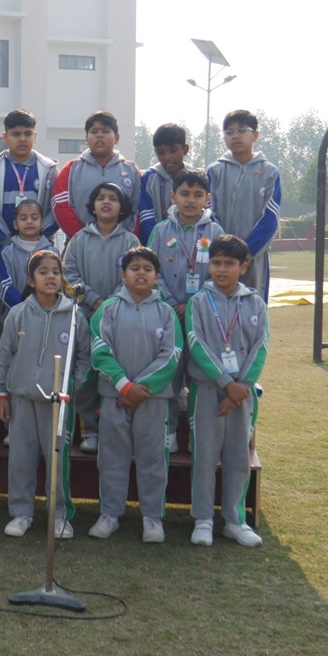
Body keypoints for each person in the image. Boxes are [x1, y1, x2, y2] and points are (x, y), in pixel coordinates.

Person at [0, 250, 90, 539]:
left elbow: (84, 357)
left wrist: (72, 384)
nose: (51, 277)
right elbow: (5, 356)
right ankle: (21, 513)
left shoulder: (74, 316)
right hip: (22, 399)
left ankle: (60, 515)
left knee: (58, 460)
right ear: (30, 280)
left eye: (56, 272)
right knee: (21, 459)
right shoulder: (18, 314)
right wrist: (2, 393)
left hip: (58, 402)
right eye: (43, 272)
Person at [89, 246, 182, 544]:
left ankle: (152, 517)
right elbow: (99, 351)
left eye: (147, 269)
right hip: (114, 398)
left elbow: (171, 355)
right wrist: (124, 386)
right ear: (123, 275)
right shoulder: (108, 309)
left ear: (157, 276)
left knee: (153, 459)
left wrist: (141, 388)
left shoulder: (166, 313)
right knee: (111, 458)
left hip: (153, 400)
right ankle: (109, 514)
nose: (141, 273)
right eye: (135, 268)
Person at [186, 234, 268, 548]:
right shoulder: (198, 301)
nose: (221, 269)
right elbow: (196, 343)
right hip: (208, 389)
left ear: (243, 266)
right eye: (216, 263)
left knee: (238, 458)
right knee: (205, 457)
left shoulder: (255, 303)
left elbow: (261, 346)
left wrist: (241, 387)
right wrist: (225, 383)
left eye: (229, 263)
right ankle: (203, 519)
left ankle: (235, 521)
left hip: (242, 394)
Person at [147, 169, 223, 452]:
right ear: (173, 197)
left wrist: (192, 304)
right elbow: (152, 270)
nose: (191, 200)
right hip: (167, 315)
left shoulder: (215, 232)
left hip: (202, 315)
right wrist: (170, 302)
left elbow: (219, 273)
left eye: (197, 195)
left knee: (200, 376)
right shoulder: (160, 230)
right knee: (169, 373)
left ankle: (196, 431)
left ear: (207, 199)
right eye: (185, 194)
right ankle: (168, 430)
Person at [62, 182, 139, 452]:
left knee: (113, 372)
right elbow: (69, 275)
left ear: (122, 208)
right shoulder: (78, 239)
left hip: (119, 317)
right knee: (86, 374)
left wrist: (111, 304)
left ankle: (115, 427)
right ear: (92, 206)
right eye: (101, 198)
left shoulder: (130, 242)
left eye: (113, 198)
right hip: (85, 316)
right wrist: (94, 300)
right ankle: (90, 430)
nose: (106, 202)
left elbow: (135, 275)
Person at [207, 110, 281, 300]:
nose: (235, 136)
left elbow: (270, 218)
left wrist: (244, 254)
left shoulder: (269, 172)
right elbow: (208, 212)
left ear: (255, 135)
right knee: (216, 305)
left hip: (253, 258)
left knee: (253, 306)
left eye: (241, 130)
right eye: (229, 132)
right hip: (219, 258)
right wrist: (223, 252)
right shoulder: (215, 171)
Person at [0, 109, 59, 245]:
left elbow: (57, 209)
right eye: (16, 134)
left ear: (35, 136)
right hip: (0, 247)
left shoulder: (49, 169)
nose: (22, 139)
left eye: (28, 134)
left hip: (39, 246)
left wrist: (36, 238)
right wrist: (5, 239)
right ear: (5, 137)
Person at [52, 110, 140, 239]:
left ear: (117, 138)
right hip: (80, 243)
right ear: (86, 138)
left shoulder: (132, 170)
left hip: (123, 244)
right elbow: (61, 207)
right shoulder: (72, 169)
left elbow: (137, 211)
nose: (99, 135)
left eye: (105, 131)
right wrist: (82, 238)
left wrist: (127, 239)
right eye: (93, 132)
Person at [138, 122, 196, 243]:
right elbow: (147, 218)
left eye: (173, 151)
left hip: (192, 242)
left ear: (185, 149)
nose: (167, 157)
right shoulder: (149, 178)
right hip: (158, 242)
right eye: (160, 153)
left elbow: (205, 213)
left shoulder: (196, 177)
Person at [0, 199, 55, 312]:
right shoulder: (7, 252)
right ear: (15, 224)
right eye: (23, 218)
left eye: (34, 218)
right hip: (14, 313)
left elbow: (56, 283)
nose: (29, 222)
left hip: (46, 312)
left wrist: (43, 307)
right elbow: (4, 284)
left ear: (42, 223)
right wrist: (23, 308)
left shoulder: (51, 251)